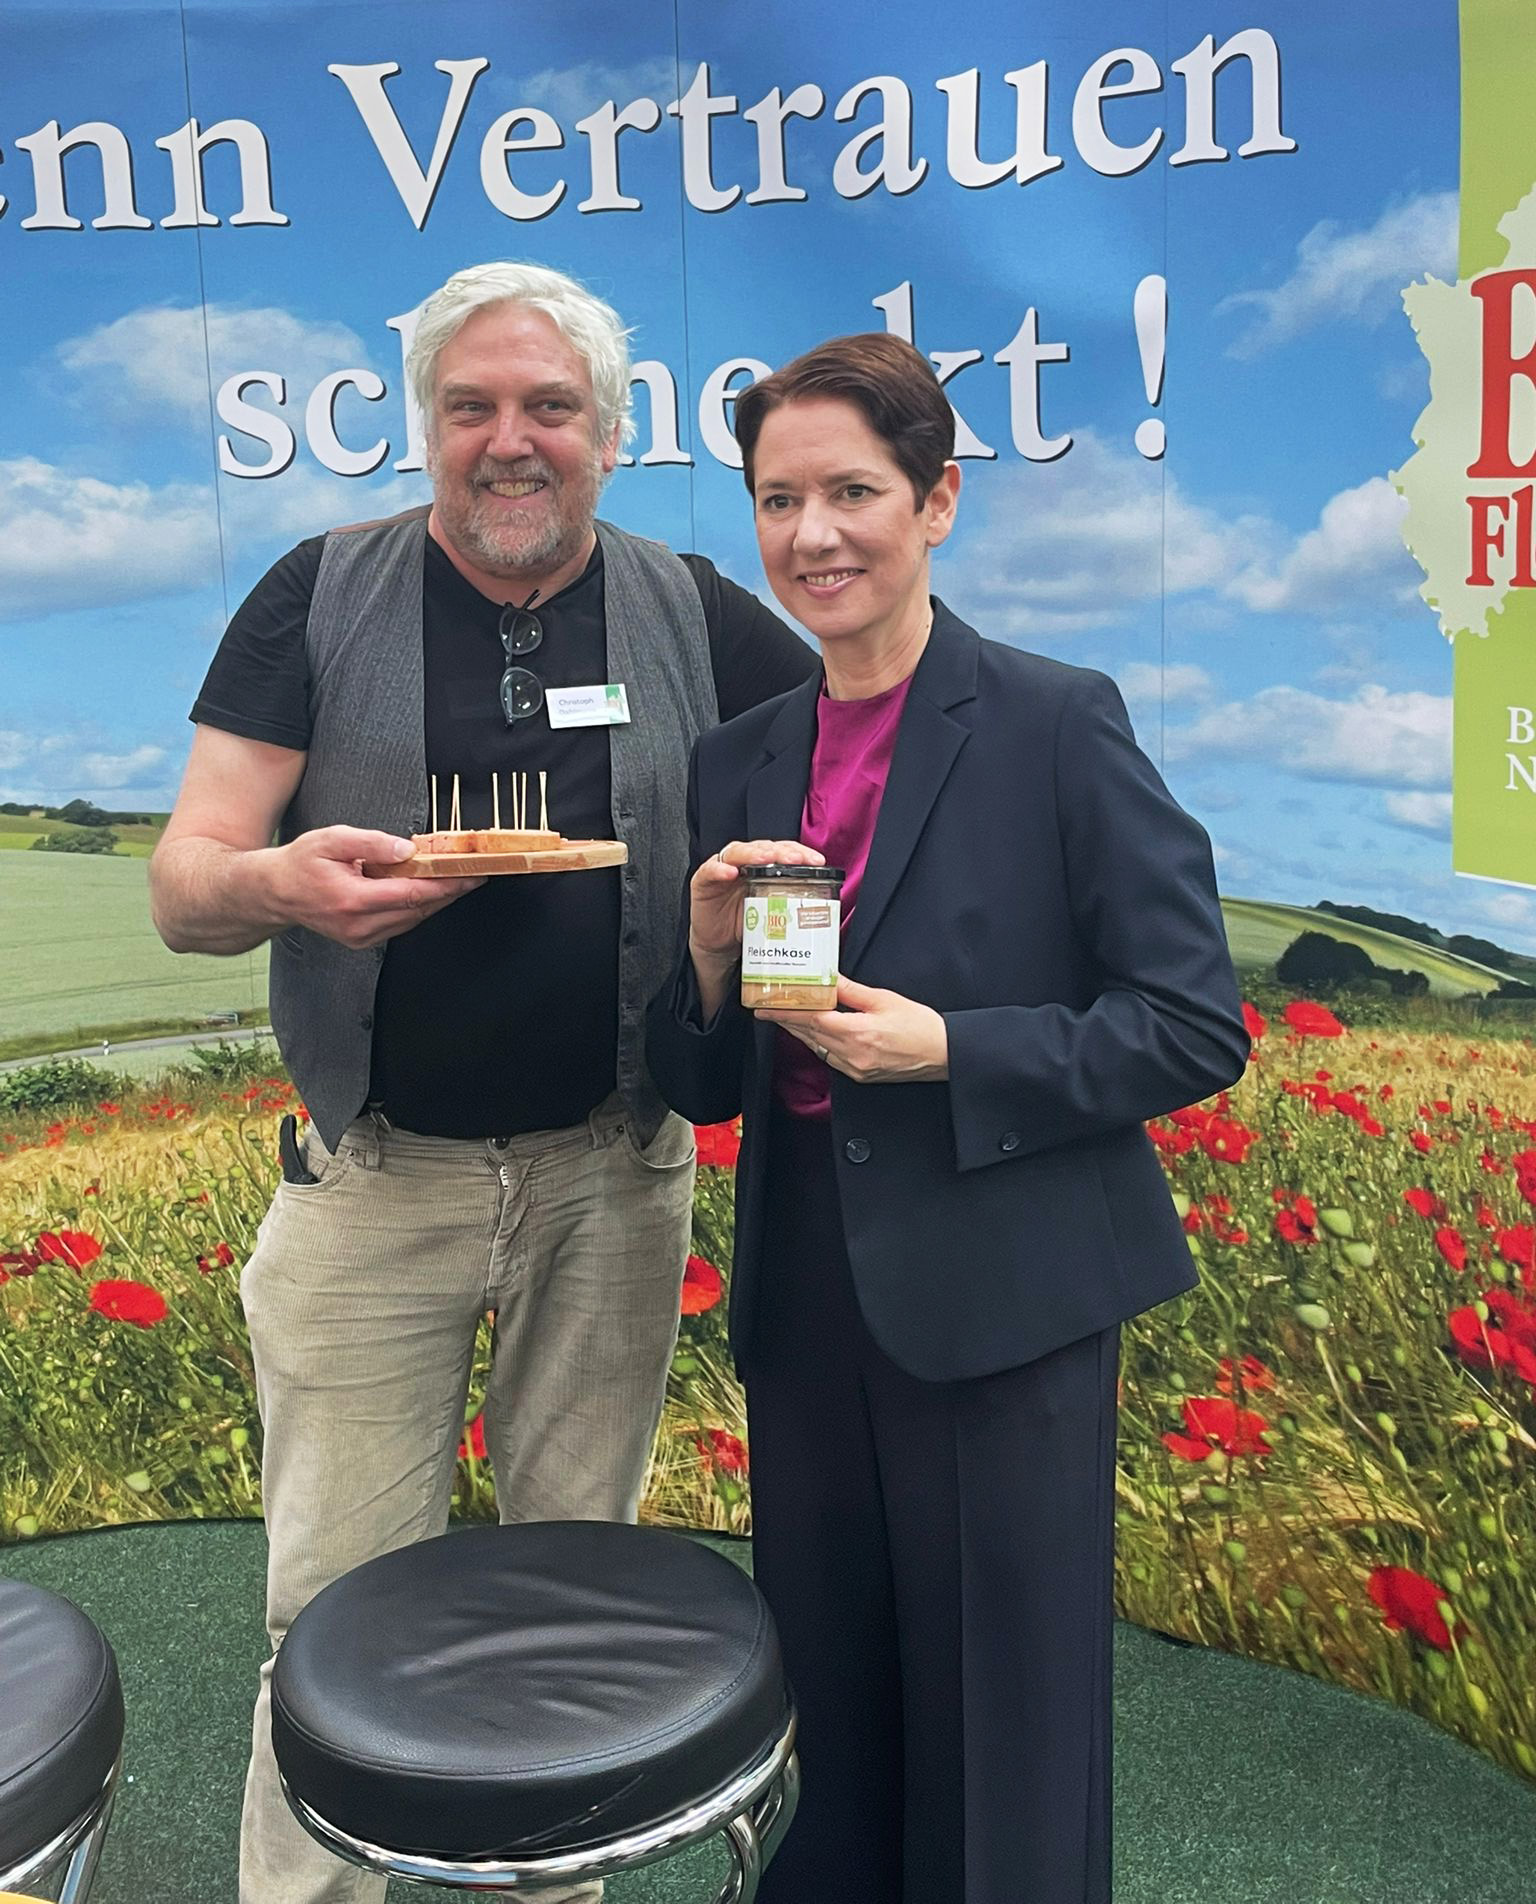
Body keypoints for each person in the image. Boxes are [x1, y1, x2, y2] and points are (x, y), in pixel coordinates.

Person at [148, 260, 816, 1904]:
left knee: (566, 1621)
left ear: (611, 433)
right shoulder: (318, 593)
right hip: (376, 1183)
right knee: (329, 1616)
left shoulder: (691, 610)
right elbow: (183, 885)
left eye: (549, 408)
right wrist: (285, 885)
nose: (510, 440)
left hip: (615, 1176)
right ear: (425, 426)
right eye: (473, 407)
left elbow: (836, 781)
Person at [646, 333, 1249, 1904]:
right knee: (833, 1717)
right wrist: (704, 961)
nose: (812, 536)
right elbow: (701, 1084)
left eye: (852, 492)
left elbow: (1195, 1023)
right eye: (780, 500)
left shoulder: (1056, 721)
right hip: (807, 1306)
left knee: (1004, 1740)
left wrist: (953, 1053)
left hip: (1004, 1306)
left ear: (939, 502)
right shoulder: (740, 757)